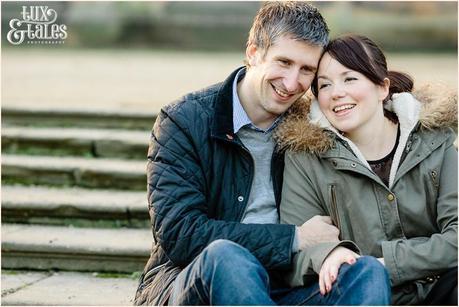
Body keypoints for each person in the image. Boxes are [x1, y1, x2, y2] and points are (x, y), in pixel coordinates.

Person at [134, 3, 391, 305]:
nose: (293, 83)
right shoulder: (183, 121)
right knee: (226, 255)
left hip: (286, 284)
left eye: (307, 69)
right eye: (283, 62)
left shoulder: (313, 127)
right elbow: (181, 234)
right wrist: (295, 238)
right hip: (194, 280)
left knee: (366, 272)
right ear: (254, 52)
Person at [278, 34, 458, 305]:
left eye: (350, 79)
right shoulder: (305, 158)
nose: (336, 92)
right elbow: (296, 252)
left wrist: (387, 263)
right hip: (360, 292)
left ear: (382, 87)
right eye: (324, 85)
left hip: (438, 289)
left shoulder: (435, 142)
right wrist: (329, 255)